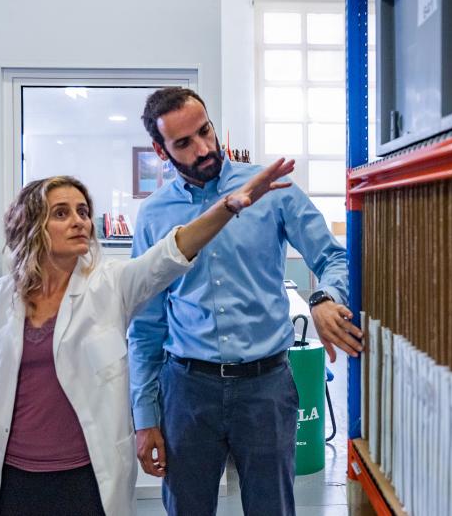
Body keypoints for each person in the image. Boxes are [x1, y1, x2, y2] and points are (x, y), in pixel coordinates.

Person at [0, 162, 294, 515]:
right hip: (12, 473)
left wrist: (226, 207)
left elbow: (171, 254)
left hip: (85, 475)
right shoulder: (3, 295)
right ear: (32, 226)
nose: (79, 221)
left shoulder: (111, 284)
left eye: (83, 211)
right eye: (61, 213)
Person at [130, 87, 365, 515]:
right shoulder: (154, 216)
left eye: (205, 131)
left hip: (265, 388)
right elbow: (146, 325)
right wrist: (145, 417)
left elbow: (333, 257)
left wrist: (324, 297)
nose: (203, 149)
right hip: (187, 391)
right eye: (184, 143)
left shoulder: (271, 189)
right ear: (160, 151)